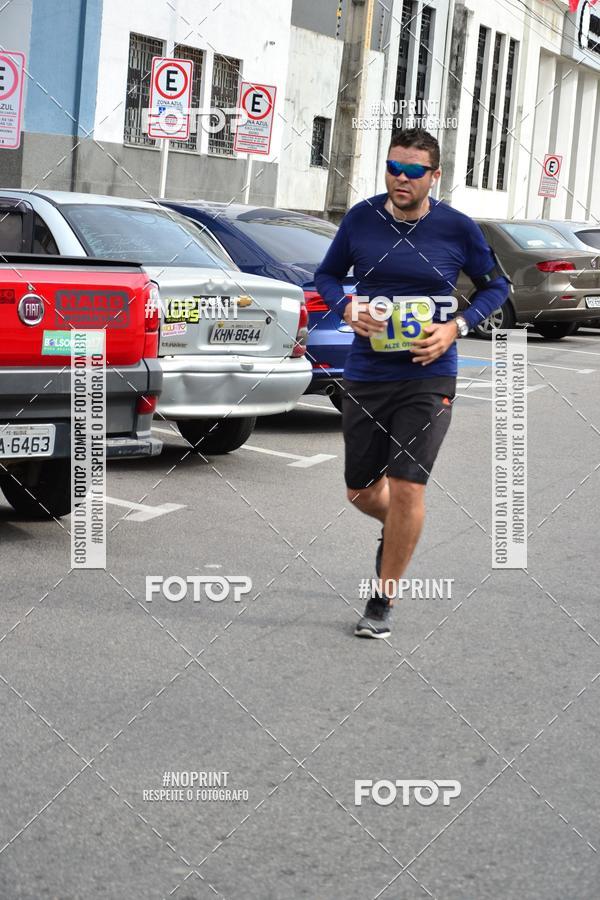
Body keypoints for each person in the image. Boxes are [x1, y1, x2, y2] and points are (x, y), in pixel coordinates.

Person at [314, 128, 510, 639]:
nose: (401, 178)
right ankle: (395, 528)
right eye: (393, 168)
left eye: (413, 170)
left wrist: (456, 326)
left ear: (434, 175)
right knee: (360, 492)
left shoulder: (456, 228)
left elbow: (497, 287)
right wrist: (347, 305)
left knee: (406, 485)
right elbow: (327, 276)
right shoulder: (361, 218)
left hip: (429, 375)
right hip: (366, 372)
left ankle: (382, 599)